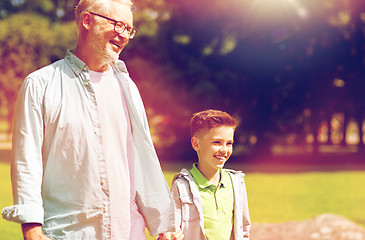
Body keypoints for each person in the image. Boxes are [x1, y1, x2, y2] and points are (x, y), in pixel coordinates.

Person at [1, 0, 183, 239]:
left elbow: (141, 156)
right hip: (67, 233)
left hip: (128, 232)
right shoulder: (39, 84)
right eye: (118, 25)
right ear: (87, 21)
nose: (124, 36)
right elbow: (27, 162)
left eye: (129, 29)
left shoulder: (127, 86)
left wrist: (162, 225)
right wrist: (32, 228)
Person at [166, 109, 251, 240]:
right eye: (217, 142)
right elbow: (172, 230)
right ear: (196, 144)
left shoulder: (236, 182)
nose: (224, 150)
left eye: (229, 143)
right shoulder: (181, 186)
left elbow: (243, 230)